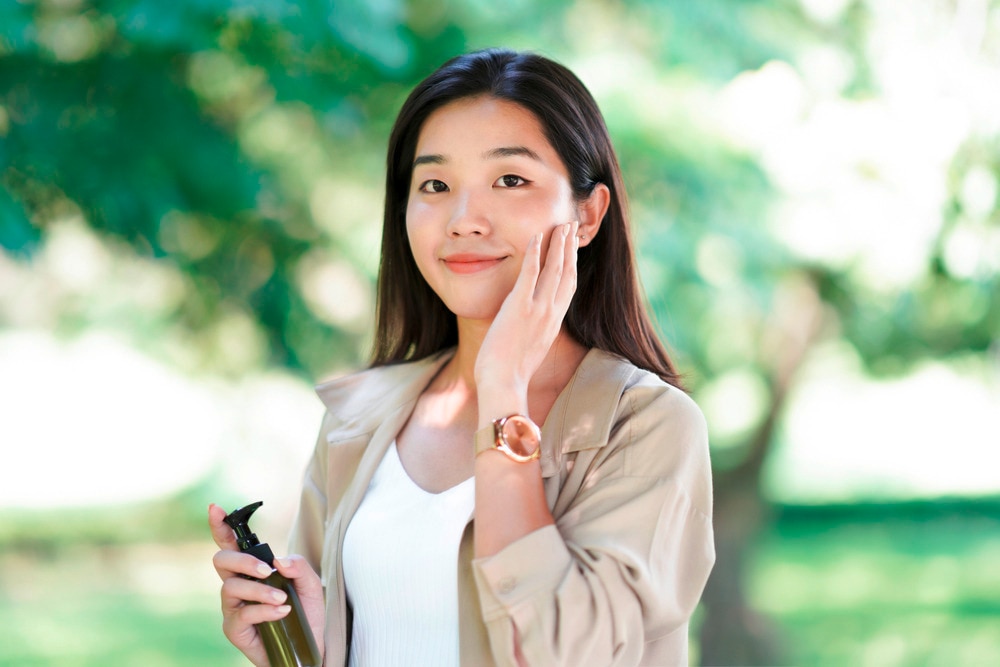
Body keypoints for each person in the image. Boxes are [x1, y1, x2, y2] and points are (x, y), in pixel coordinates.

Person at [209, 48, 715, 667]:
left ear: (587, 214)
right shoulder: (357, 419)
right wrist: (303, 645)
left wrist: (503, 388)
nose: (463, 219)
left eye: (510, 180)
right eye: (435, 185)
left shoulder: (645, 425)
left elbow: (563, 655)